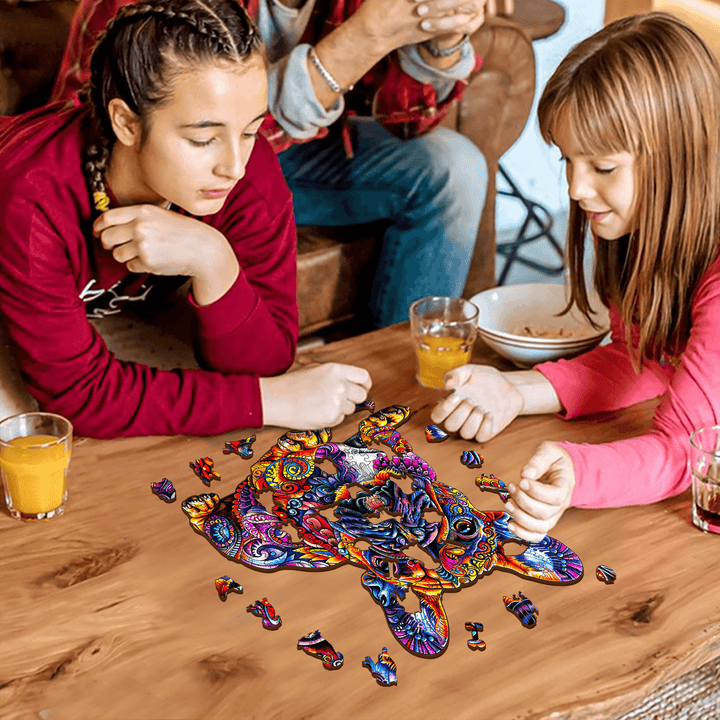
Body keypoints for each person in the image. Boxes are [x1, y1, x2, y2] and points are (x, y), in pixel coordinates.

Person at [0, 0, 371, 437]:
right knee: (23, 431)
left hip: (83, 306)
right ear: (126, 123)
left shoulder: (247, 169)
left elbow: (268, 358)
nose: (234, 165)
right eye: (203, 139)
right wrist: (270, 400)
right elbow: (81, 397)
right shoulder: (32, 199)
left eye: (249, 131)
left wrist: (214, 260)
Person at [431, 12, 720, 542]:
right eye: (568, 160)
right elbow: (644, 357)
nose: (574, 189)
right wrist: (515, 391)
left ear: (682, 158)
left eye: (603, 168)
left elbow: (690, 448)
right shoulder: (643, 231)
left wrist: (579, 472)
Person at [50, 0, 490, 328]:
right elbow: (102, 135)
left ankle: (402, 373)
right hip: (163, 164)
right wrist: (362, 39)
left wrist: (440, 41)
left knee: (454, 168)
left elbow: (411, 123)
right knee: (225, 150)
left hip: (294, 150)